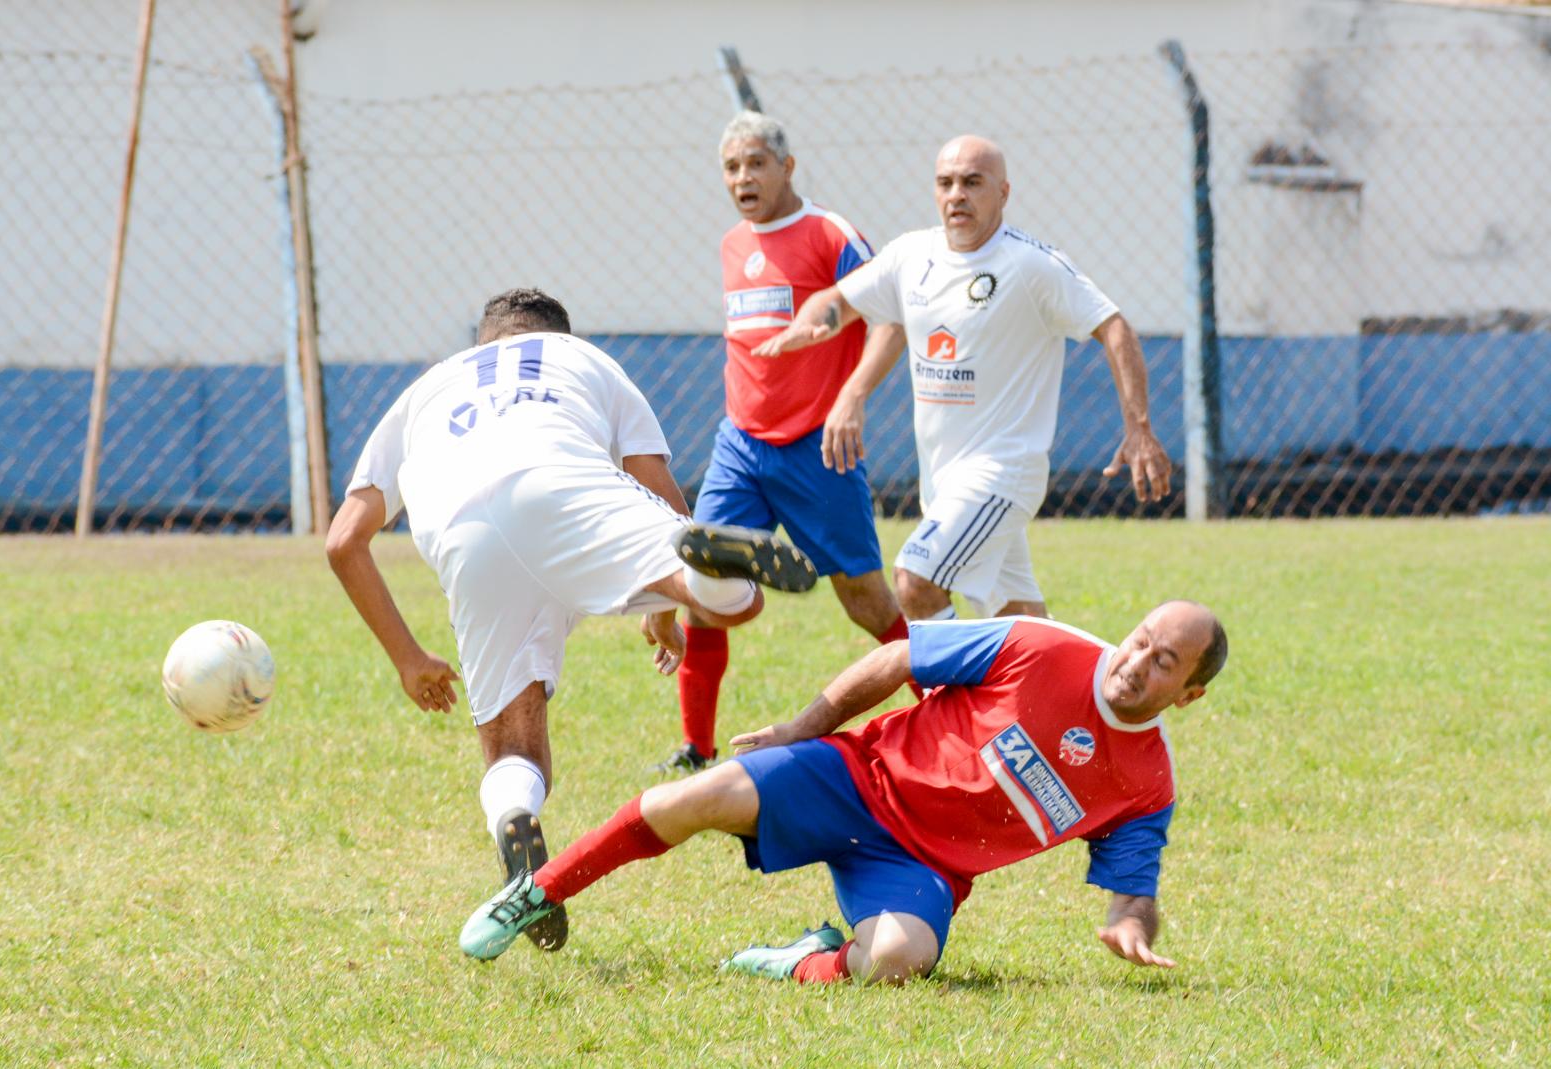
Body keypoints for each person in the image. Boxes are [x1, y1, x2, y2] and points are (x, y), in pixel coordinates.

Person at [325, 287, 817, 955]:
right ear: (557, 334)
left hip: (463, 529)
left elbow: (343, 540)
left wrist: (409, 657)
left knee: (513, 746)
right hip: (556, 480)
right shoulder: (584, 360)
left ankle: (516, 817)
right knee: (736, 597)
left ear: (482, 342)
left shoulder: (427, 390)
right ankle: (708, 569)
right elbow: (658, 490)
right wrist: (669, 599)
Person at [459, 600, 1227, 984]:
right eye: (1141, 642)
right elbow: (898, 658)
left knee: (895, 961)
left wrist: (1134, 927)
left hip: (923, 867)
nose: (1137, 664)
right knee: (686, 801)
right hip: (854, 779)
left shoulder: (1147, 783)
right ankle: (537, 890)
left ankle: (803, 958)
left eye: (1165, 665)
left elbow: (1133, 889)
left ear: (1188, 695)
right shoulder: (1038, 645)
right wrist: (803, 727)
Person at [756, 135, 1175, 624]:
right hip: (942, 481)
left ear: (1003, 193)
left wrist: (1139, 429)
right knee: (1020, 622)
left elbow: (1114, 326)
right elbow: (838, 300)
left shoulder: (1031, 266)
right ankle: (1094, 698)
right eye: (946, 182)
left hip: (1002, 472)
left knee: (915, 581)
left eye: (973, 182)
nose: (957, 194)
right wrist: (812, 323)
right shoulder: (911, 255)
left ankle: (954, 700)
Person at [652, 111, 916, 776]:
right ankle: (695, 748)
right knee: (704, 582)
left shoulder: (832, 235)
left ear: (787, 167)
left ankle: (947, 703)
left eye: (756, 163)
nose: (744, 177)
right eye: (732, 167)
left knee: (866, 600)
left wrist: (851, 396)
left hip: (817, 447)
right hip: (740, 444)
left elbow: (889, 318)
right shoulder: (730, 244)